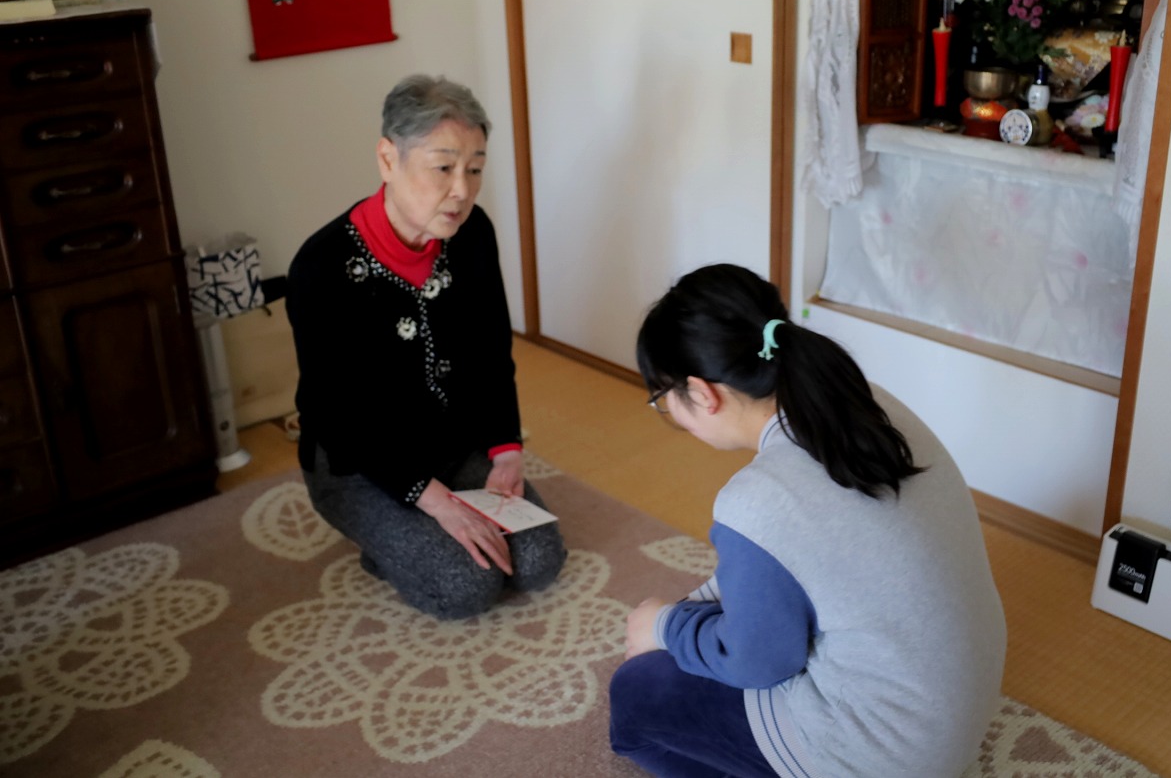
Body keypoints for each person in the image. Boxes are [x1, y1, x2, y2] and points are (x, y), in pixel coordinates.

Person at [609, 264, 1006, 778]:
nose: (671, 415)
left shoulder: (759, 499)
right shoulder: (864, 401)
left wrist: (664, 627)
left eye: (663, 402)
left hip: (887, 755)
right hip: (955, 718)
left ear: (703, 393)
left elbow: (756, 662)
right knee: (697, 636)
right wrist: (687, 612)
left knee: (639, 689)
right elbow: (797, 558)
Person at [286, 74, 566, 620]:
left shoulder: (473, 234)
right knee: (466, 586)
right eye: (443, 167)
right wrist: (436, 503)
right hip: (358, 464)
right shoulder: (321, 267)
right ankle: (383, 543)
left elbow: (491, 351)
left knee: (538, 560)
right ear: (388, 159)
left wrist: (506, 450)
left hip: (453, 444)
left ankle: (413, 534)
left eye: (475, 169)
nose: (461, 190)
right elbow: (336, 417)